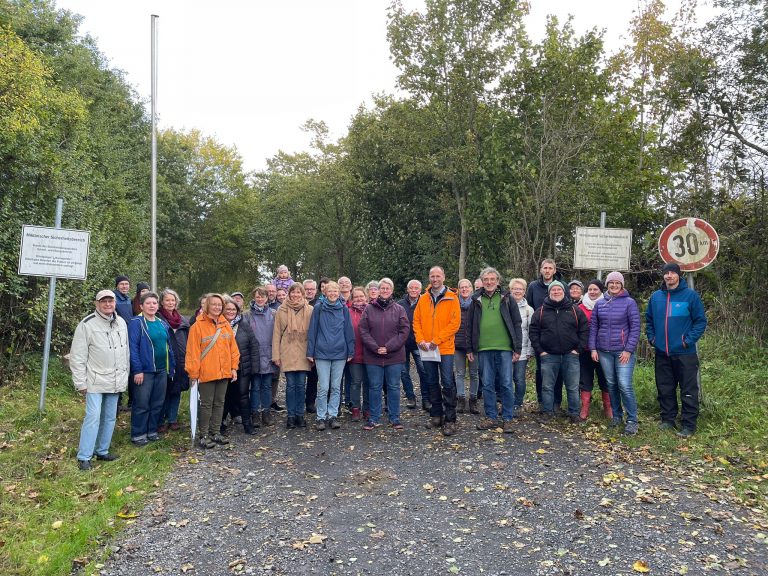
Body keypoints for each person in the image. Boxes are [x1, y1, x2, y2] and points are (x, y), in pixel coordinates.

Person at [645, 262, 707, 437]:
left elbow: (700, 321)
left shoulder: (690, 296)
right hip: (662, 352)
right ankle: (668, 420)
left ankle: (688, 425)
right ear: (663, 276)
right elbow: (649, 320)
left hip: (685, 353)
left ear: (678, 275)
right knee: (665, 388)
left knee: (688, 389)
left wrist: (688, 341)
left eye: (672, 273)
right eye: (666, 273)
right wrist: (652, 338)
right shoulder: (656, 297)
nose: (669, 276)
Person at [70, 290, 129, 470]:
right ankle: (84, 456)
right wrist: (80, 383)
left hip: (115, 379)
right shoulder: (87, 324)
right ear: (97, 304)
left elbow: (125, 352)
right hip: (95, 380)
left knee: (110, 417)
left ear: (115, 303)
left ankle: (102, 450)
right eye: (103, 301)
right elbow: (77, 356)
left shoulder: (121, 322)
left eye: (110, 301)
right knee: (93, 416)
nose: (107, 304)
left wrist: (124, 376)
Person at [467, 268, 523, 433]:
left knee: (506, 383)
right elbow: (469, 326)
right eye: (486, 279)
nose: (489, 282)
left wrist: (517, 348)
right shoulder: (475, 300)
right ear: (482, 282)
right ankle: (491, 417)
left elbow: (517, 323)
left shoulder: (507, 299)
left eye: (492, 279)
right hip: (483, 349)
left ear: (498, 281)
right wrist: (470, 348)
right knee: (487, 384)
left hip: (505, 349)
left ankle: (508, 418)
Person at [589, 271, 641, 435]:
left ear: (622, 285)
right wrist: (593, 348)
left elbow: (635, 328)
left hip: (622, 352)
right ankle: (617, 416)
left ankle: (632, 420)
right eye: (611, 282)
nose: (614, 285)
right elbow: (594, 328)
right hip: (604, 351)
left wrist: (628, 350)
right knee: (611, 384)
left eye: (617, 283)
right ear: (607, 284)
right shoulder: (600, 303)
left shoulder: (629, 303)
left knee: (624, 385)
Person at [528, 281, 588, 423]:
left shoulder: (574, 310)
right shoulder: (541, 311)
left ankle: (574, 413)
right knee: (547, 386)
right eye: (553, 290)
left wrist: (577, 350)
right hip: (548, 356)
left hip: (570, 355)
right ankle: (548, 412)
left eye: (559, 290)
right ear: (549, 293)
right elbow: (533, 332)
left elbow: (584, 330)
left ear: (564, 292)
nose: (556, 292)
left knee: (572, 387)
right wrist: (541, 351)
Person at [186, 293, 240, 448]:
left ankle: (215, 432)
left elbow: (233, 350)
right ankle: (203, 435)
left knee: (219, 403)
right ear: (207, 306)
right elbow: (192, 353)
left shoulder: (225, 325)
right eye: (214, 304)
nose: (217, 307)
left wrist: (233, 368)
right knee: (206, 404)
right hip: (206, 373)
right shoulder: (197, 327)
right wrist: (193, 374)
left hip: (224, 372)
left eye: (219, 305)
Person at [413, 266, 461, 436]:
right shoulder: (423, 298)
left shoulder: (452, 297)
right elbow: (416, 321)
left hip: (445, 348)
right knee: (432, 381)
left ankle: (450, 419)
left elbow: (454, 324)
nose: (435, 279)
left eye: (438, 276)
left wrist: (437, 340)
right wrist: (420, 340)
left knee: (447, 383)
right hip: (427, 349)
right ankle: (436, 415)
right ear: (429, 278)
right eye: (432, 276)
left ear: (444, 277)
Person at [359, 278, 410, 430]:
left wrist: (388, 347)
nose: (385, 290)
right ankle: (374, 418)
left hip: (394, 356)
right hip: (373, 356)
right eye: (382, 288)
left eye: (388, 288)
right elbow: (363, 330)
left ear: (392, 291)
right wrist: (375, 347)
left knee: (394, 386)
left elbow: (404, 331)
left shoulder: (399, 309)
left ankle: (394, 418)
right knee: (374, 387)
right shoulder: (369, 309)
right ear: (378, 290)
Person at [128, 292, 176, 446]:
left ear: (158, 305)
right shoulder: (136, 322)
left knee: (157, 403)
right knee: (142, 404)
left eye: (154, 303)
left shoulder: (162, 323)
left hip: (161, 370)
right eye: (148, 303)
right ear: (141, 306)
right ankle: (138, 433)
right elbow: (133, 348)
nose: (151, 306)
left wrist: (171, 368)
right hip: (145, 371)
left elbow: (168, 347)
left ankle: (152, 430)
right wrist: (137, 370)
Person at [307, 281, 355, 430]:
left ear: (339, 292)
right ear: (325, 293)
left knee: (335, 387)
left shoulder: (343, 309)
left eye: (335, 291)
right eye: (330, 291)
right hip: (321, 353)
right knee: (323, 387)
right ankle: (321, 417)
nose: (333, 293)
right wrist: (310, 352)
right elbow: (312, 330)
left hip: (340, 353)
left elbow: (348, 330)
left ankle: (332, 415)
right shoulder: (318, 308)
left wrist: (350, 350)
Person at [272, 283, 313, 429]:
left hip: (303, 350)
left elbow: (313, 333)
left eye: (298, 293)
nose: (295, 295)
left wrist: (312, 353)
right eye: (293, 292)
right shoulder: (281, 310)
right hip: (287, 350)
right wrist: (276, 355)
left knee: (301, 385)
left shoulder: (310, 310)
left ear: (303, 294)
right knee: (290, 386)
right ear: (289, 294)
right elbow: (276, 334)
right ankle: (290, 416)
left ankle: (300, 415)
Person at [526, 259, 565, 412]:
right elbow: (528, 307)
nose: (547, 271)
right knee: (541, 371)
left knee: (559, 371)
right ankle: (542, 402)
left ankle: (557, 402)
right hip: (540, 335)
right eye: (545, 268)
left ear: (554, 270)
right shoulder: (533, 287)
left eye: (550, 268)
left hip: (559, 336)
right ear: (541, 270)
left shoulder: (562, 286)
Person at [222, 296, 260, 435]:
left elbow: (254, 346)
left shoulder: (244, 326)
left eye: (234, 309)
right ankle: (221, 425)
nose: (231, 312)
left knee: (243, 396)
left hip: (242, 367)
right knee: (224, 397)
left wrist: (255, 368)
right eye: (228, 309)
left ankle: (247, 425)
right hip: (223, 367)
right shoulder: (218, 325)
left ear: (238, 311)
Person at [244, 286, 277, 428]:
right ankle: (255, 414)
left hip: (269, 354)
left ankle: (266, 412)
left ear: (267, 298)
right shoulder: (247, 315)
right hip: (254, 355)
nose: (260, 299)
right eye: (257, 296)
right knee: (255, 386)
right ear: (254, 297)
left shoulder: (274, 313)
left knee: (267, 386)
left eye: (263, 296)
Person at [577, 279, 610, 421]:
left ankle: (608, 408)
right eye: (590, 289)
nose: (592, 292)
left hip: (603, 349)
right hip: (585, 349)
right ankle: (584, 408)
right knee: (585, 378)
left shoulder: (607, 305)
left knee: (605, 378)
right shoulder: (580, 307)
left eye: (595, 289)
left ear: (601, 291)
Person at [157, 288, 190, 433]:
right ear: (162, 302)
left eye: (173, 300)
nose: (170, 303)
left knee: (176, 390)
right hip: (165, 360)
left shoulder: (182, 320)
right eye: (167, 300)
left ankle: (172, 419)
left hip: (181, 359)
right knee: (164, 392)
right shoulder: (158, 318)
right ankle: (161, 420)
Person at [398, 279, 429, 411]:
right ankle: (411, 397)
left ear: (420, 290)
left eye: (416, 288)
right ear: (407, 289)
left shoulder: (426, 302)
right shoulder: (399, 304)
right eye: (411, 288)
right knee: (404, 372)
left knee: (424, 371)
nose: (414, 290)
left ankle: (426, 399)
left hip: (419, 343)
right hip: (403, 344)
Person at [508, 278, 534, 415]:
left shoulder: (529, 310)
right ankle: (507, 403)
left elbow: (532, 331)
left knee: (519, 378)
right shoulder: (504, 306)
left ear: (524, 291)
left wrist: (530, 350)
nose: (517, 291)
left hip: (522, 350)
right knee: (505, 378)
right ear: (510, 290)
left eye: (520, 289)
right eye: (515, 289)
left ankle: (517, 404)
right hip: (506, 349)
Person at [454, 279, 479, 415]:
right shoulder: (454, 303)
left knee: (474, 373)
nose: (464, 289)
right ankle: (461, 399)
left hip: (474, 346)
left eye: (467, 287)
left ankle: (473, 400)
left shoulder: (476, 303)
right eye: (461, 287)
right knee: (460, 373)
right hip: (458, 344)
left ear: (471, 289)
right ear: (458, 289)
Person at [347, 286, 369, 421]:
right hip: (354, 353)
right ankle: (355, 408)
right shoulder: (348, 312)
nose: (359, 299)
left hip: (370, 353)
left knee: (368, 382)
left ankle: (367, 409)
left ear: (365, 297)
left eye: (361, 296)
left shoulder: (371, 310)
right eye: (356, 297)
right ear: (352, 299)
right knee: (355, 382)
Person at [113, 275, 133, 412]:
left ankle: (122, 401)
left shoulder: (127, 299)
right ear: (117, 286)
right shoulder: (114, 299)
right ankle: (116, 403)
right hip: (118, 337)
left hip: (128, 336)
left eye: (126, 284)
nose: (124, 286)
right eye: (122, 284)